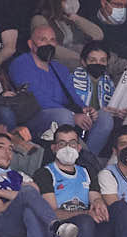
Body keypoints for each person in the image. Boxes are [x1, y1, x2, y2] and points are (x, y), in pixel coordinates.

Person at [34, 125, 127, 237]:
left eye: (72, 143)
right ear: (53, 148)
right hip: (65, 234)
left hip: (93, 231)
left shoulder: (87, 172)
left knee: (121, 206)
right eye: (62, 144)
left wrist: (99, 204)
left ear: (79, 147)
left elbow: (95, 198)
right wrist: (86, 213)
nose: (68, 148)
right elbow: (52, 213)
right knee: (85, 220)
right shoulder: (45, 173)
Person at [9, 24, 114, 154]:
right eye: (43, 39)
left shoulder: (59, 68)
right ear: (31, 44)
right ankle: (73, 157)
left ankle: (88, 158)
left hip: (65, 114)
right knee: (63, 115)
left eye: (52, 40)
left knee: (104, 117)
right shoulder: (21, 64)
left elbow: (73, 95)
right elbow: (35, 97)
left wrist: (84, 109)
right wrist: (73, 115)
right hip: (35, 116)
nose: (48, 44)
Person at [31, 0, 104, 69]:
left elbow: (98, 35)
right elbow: (49, 47)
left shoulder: (71, 18)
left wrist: (76, 18)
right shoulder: (40, 19)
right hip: (62, 62)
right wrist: (82, 58)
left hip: (83, 58)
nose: (73, 0)